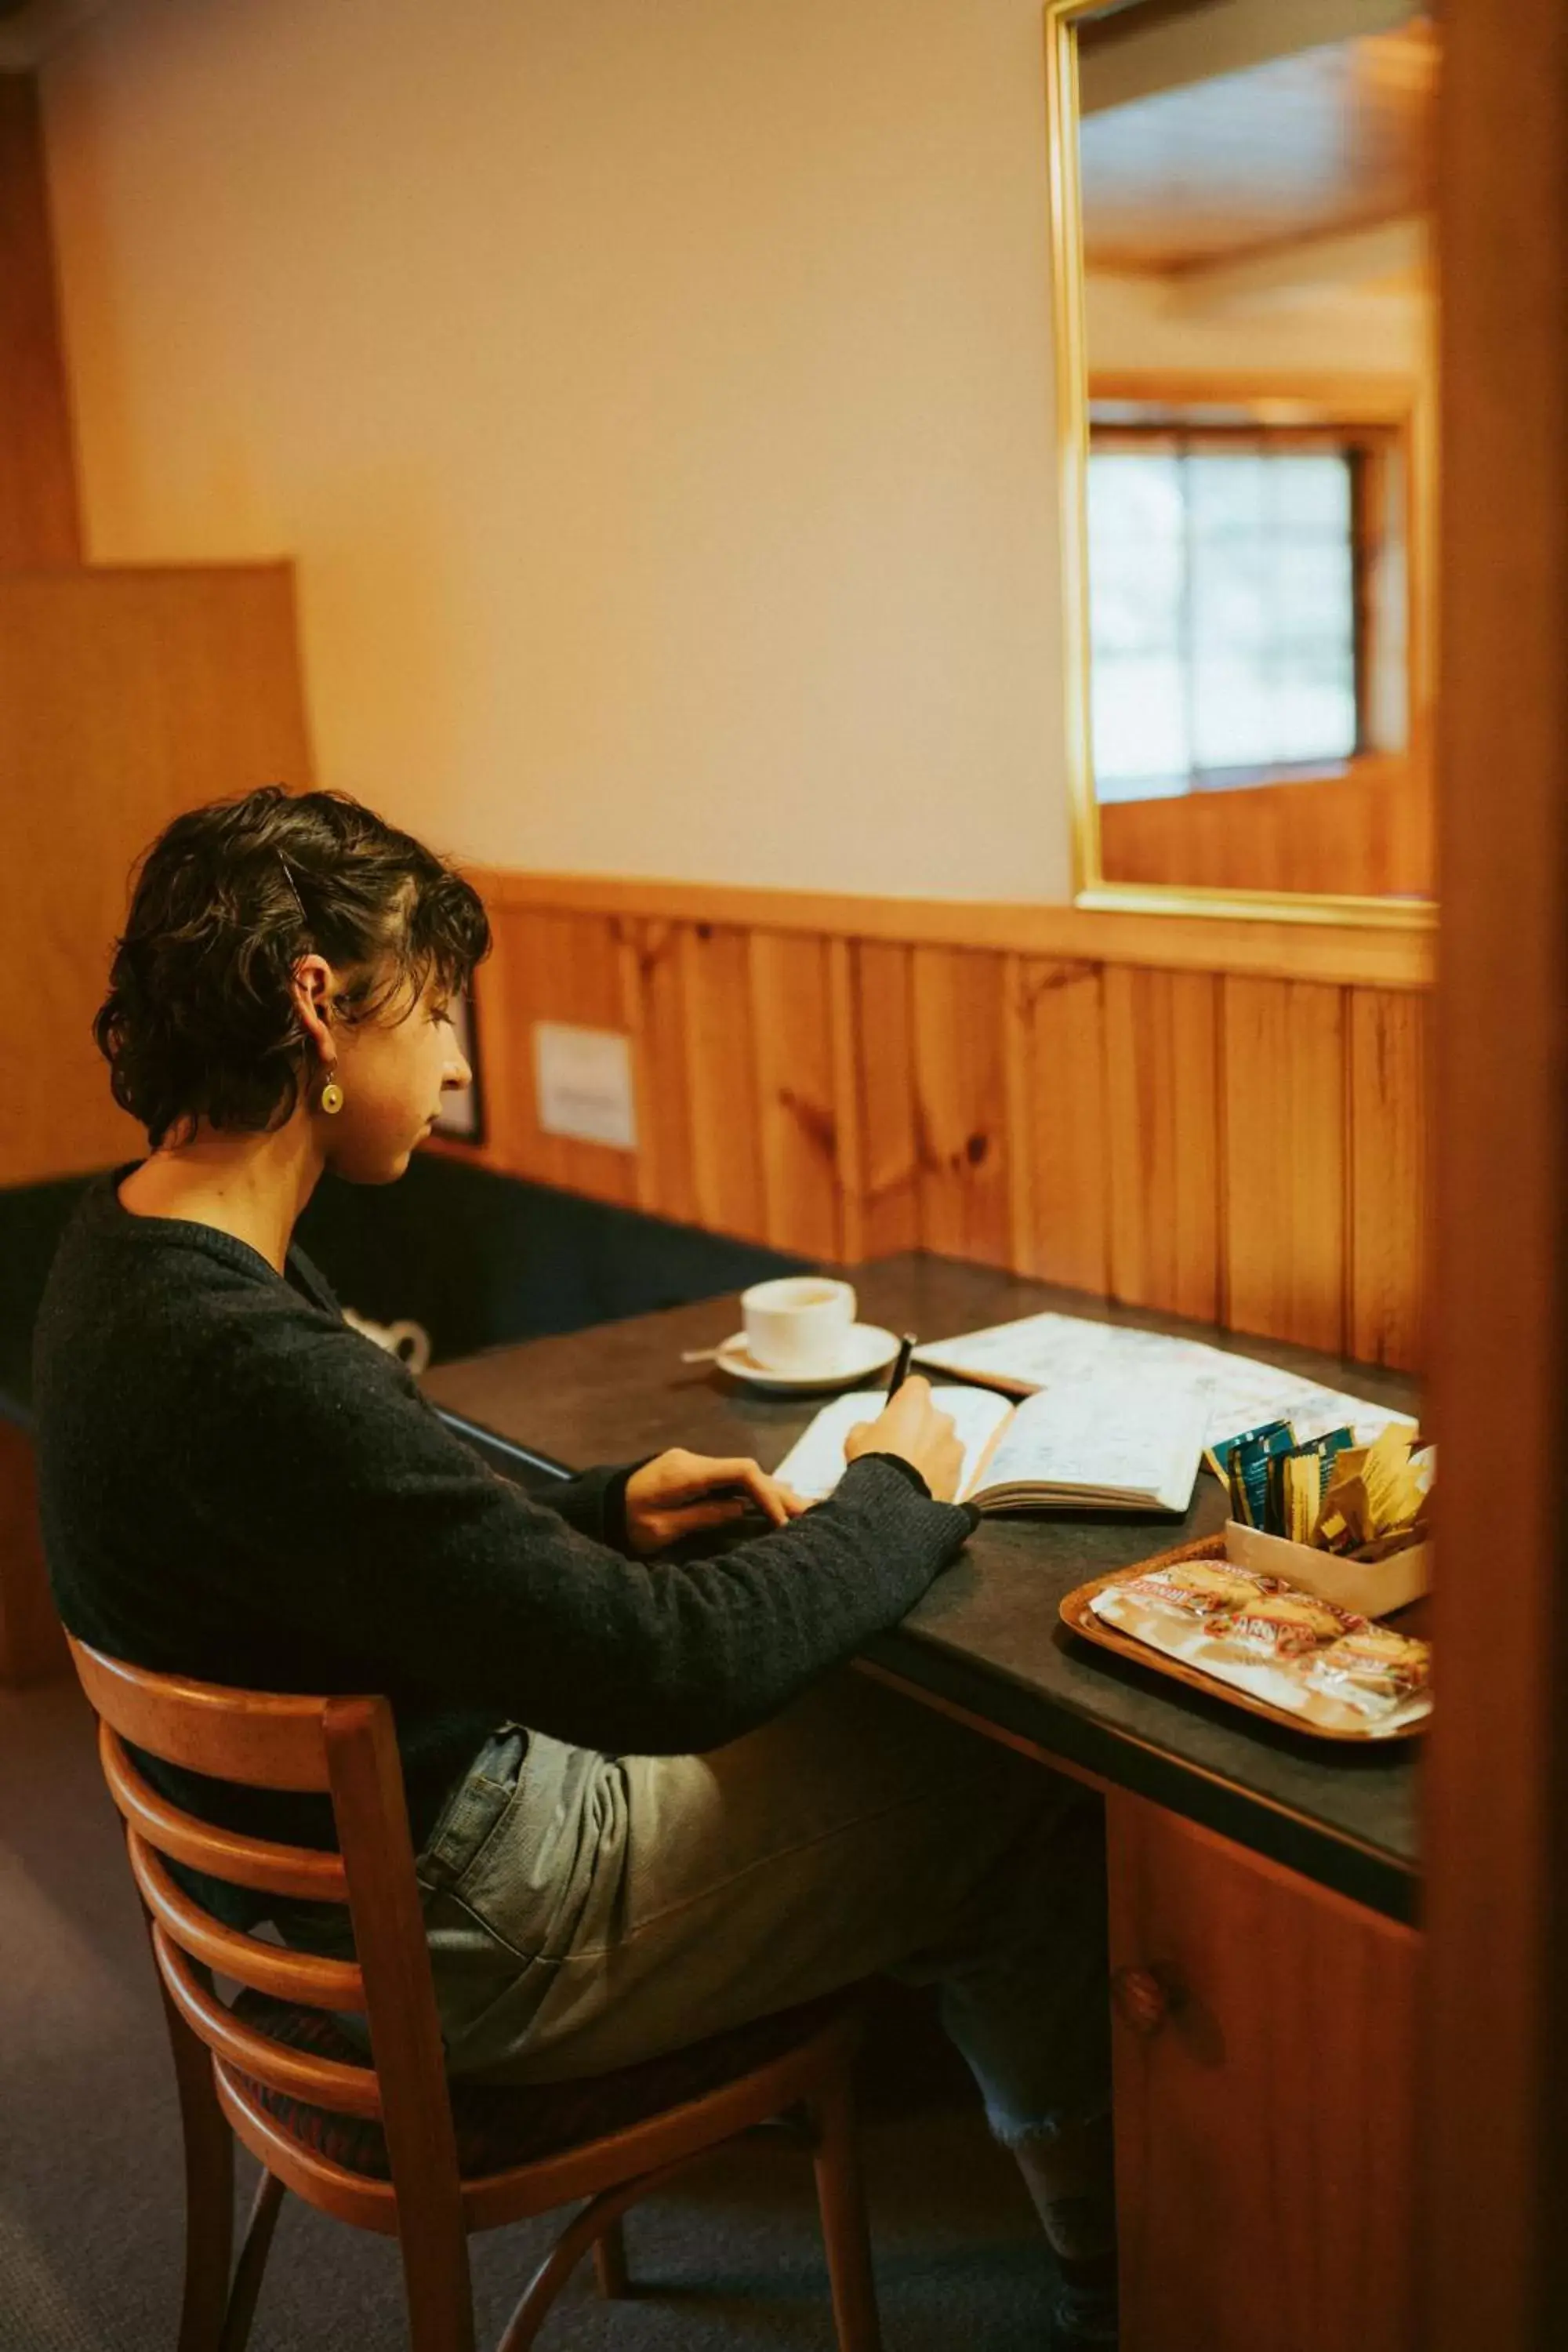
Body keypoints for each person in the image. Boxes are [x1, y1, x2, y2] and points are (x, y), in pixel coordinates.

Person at [33, 786, 1116, 2347]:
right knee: (1001, 1788)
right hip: (466, 1922)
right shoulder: (246, 1354)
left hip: (300, 1921)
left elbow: (353, 1535)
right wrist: (896, 1484)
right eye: (443, 1007)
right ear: (318, 1002)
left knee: (869, 1740)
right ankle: (1111, 2278)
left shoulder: (124, 1258)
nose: (461, 1058)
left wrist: (600, 1510)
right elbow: (661, 1674)